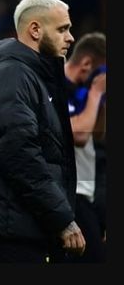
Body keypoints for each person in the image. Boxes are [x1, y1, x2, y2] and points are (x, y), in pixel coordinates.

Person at [0, 0, 86, 263]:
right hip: (9, 227)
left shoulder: (31, 76)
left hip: (17, 224)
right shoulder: (14, 74)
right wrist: (62, 218)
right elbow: (20, 154)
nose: (70, 37)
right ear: (35, 30)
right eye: (62, 29)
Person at [63, 32, 106, 262]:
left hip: (87, 191)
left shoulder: (84, 94)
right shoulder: (57, 86)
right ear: (87, 64)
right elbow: (78, 134)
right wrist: (97, 92)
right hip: (71, 193)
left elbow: (97, 135)